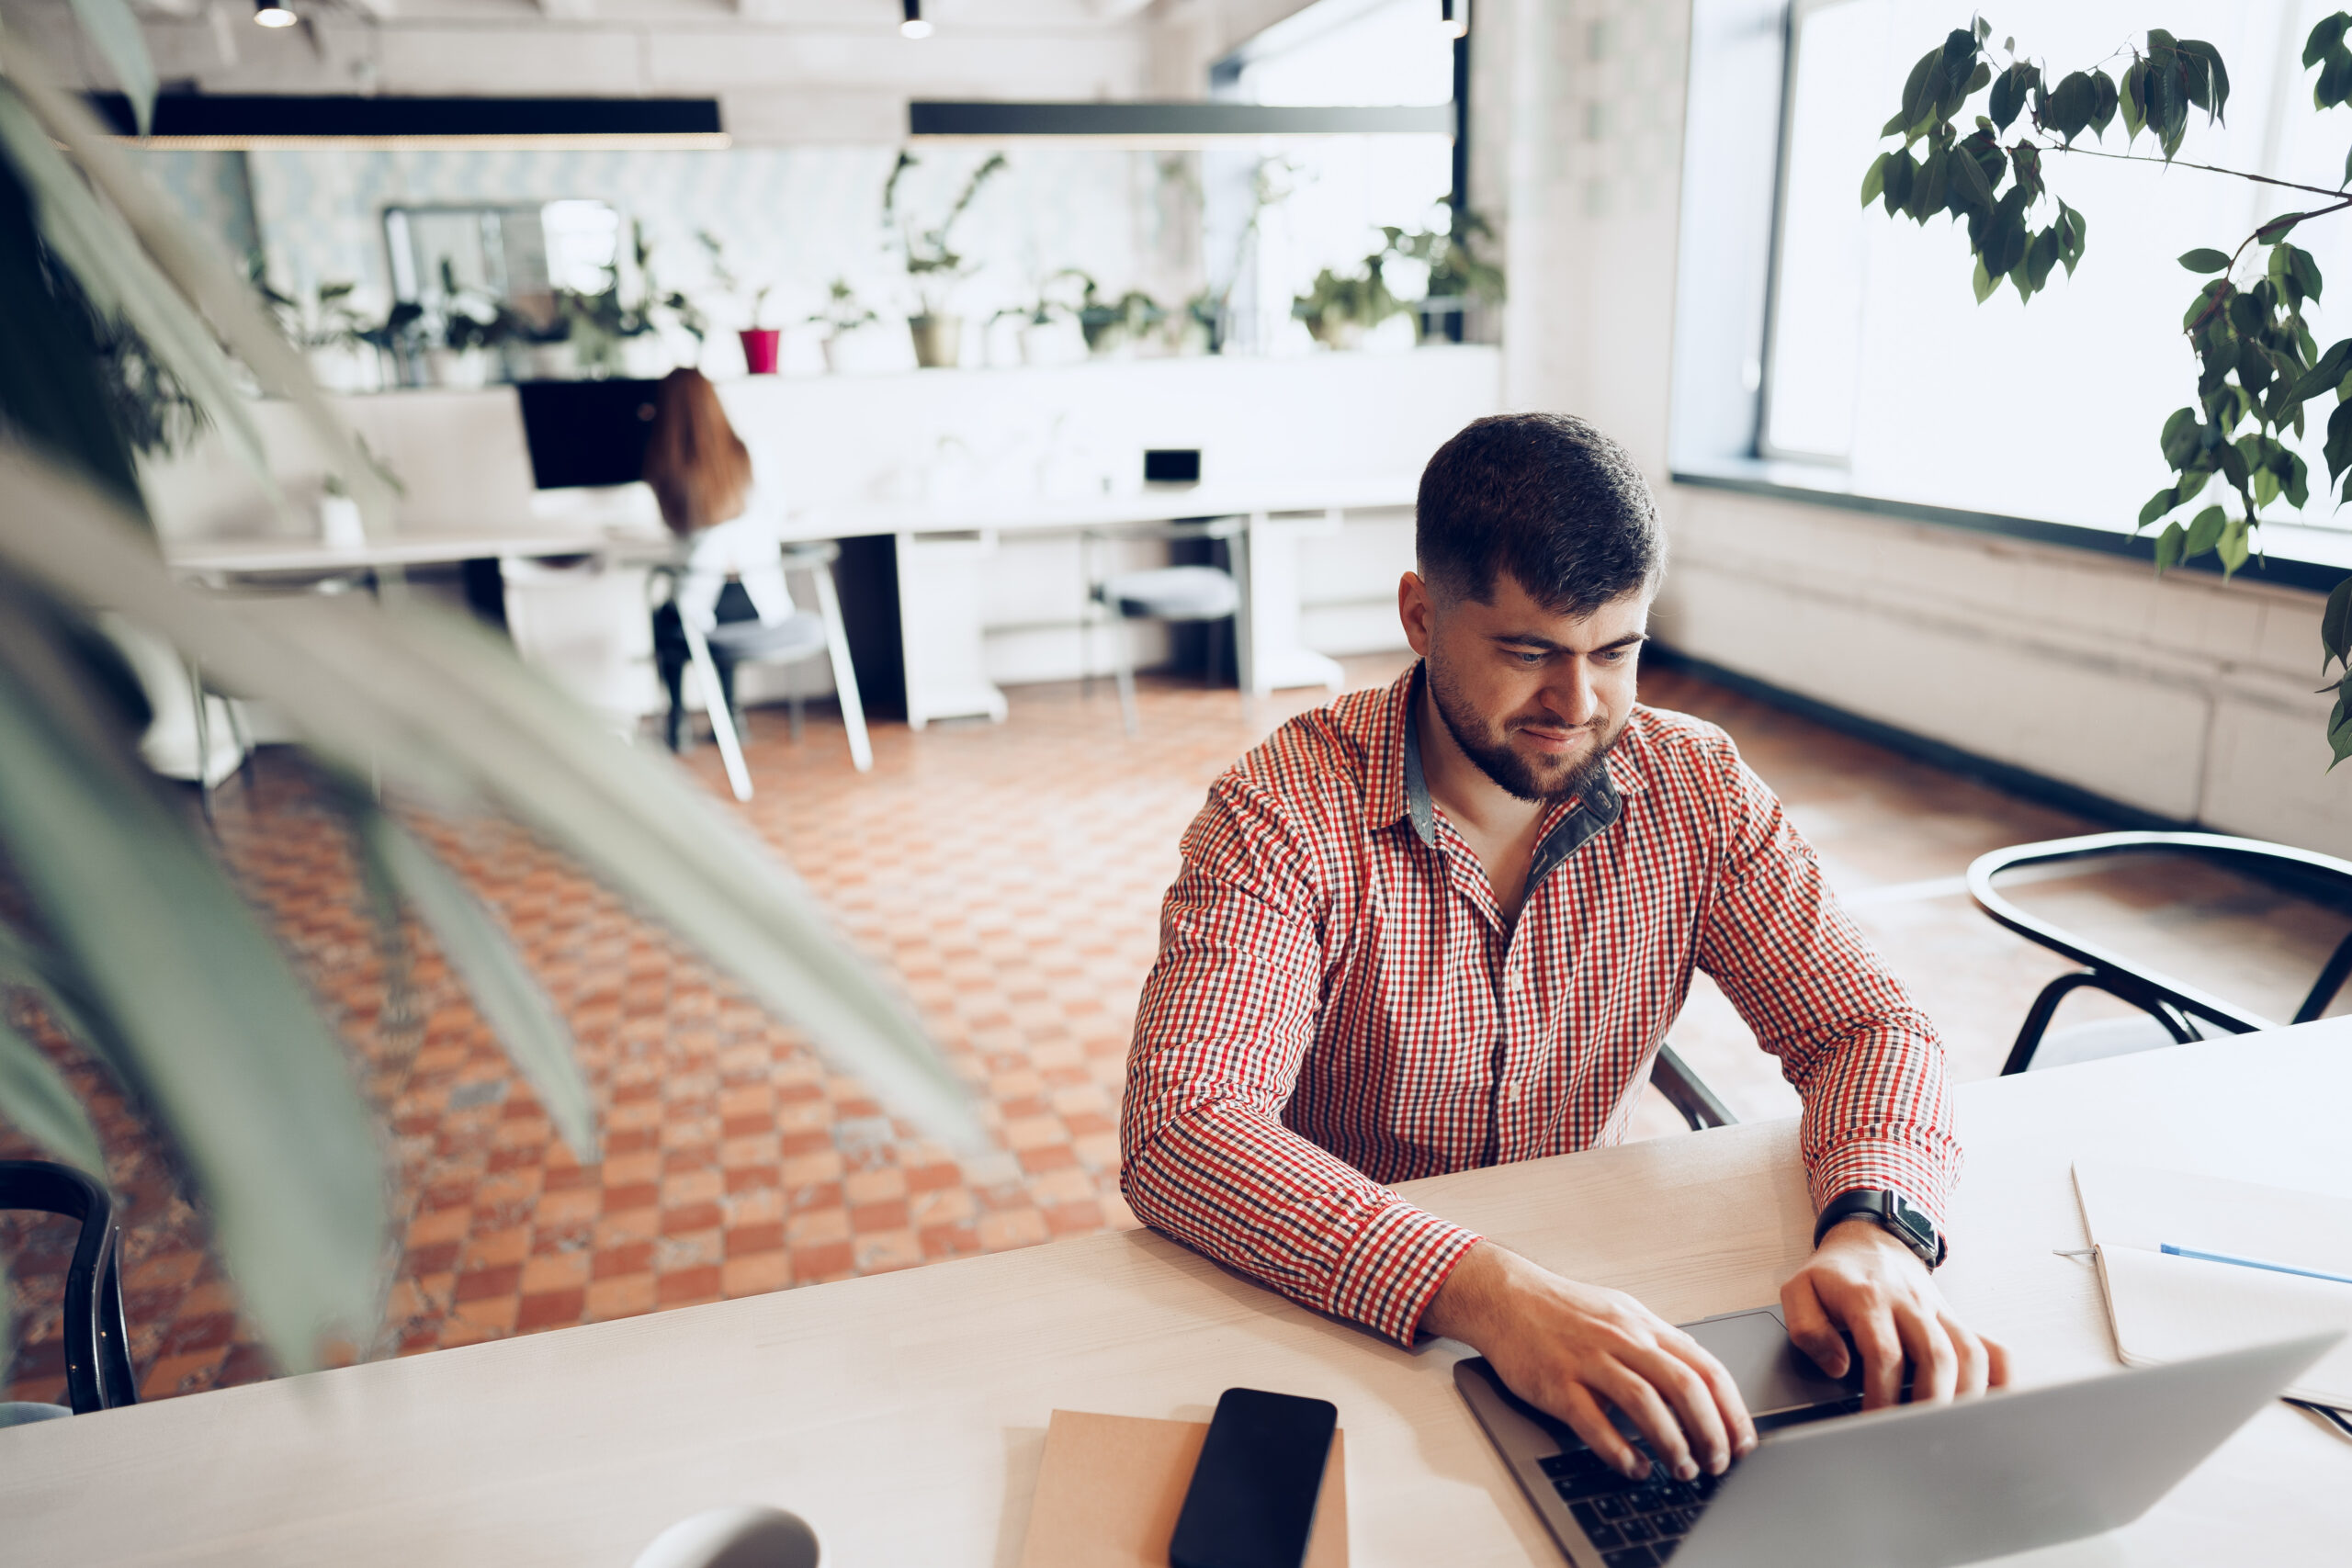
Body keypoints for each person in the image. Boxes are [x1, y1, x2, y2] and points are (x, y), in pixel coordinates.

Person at [1120, 412, 2008, 1488]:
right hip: (1339, 1318)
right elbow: (1184, 1130)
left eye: (1615, 651)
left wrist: (1876, 1228)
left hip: (1606, 1284)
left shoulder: (1697, 785)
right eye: (1528, 651)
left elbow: (1866, 1027)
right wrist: (1490, 1294)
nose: (1576, 705)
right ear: (1419, 614)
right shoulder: (1281, 811)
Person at [639, 367, 798, 747]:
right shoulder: (750, 454)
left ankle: (677, 718)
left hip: (702, 609)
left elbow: (667, 531)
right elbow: (776, 514)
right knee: (721, 613)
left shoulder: (664, 468)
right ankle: (731, 711)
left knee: (666, 618)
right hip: (757, 600)